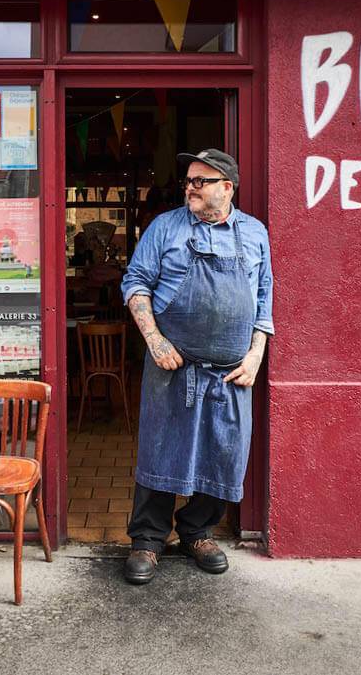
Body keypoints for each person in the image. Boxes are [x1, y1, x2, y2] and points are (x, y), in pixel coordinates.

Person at [121, 149, 274, 584]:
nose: (190, 187)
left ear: (227, 187)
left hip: (230, 373)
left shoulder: (254, 232)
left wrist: (255, 355)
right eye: (188, 180)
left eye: (200, 181)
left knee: (222, 453)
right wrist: (155, 341)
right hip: (173, 368)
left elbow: (264, 297)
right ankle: (147, 540)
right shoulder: (165, 227)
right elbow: (135, 282)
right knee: (161, 450)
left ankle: (197, 532)